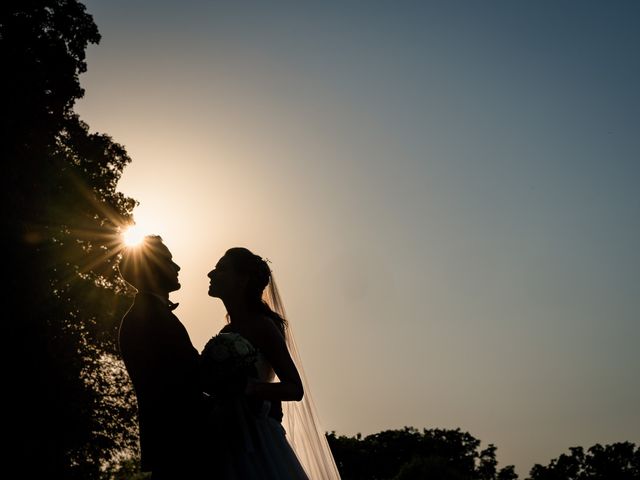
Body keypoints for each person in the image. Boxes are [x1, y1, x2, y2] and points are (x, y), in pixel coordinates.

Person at [205, 247, 341, 479]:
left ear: (242, 279)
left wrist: (248, 387)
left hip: (259, 441)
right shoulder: (226, 333)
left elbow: (294, 388)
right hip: (228, 435)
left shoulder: (262, 326)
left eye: (221, 269)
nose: (210, 274)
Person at [118, 235, 207, 479]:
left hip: (175, 448)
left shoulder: (151, 314)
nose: (177, 267)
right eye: (169, 261)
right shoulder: (148, 317)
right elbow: (184, 380)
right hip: (181, 447)